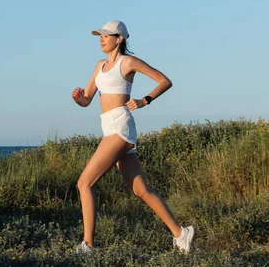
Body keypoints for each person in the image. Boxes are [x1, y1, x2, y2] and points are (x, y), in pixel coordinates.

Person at [71, 20, 194, 254]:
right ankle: (181, 233)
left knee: (84, 183)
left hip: (120, 125)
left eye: (107, 35)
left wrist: (144, 100)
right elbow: (87, 99)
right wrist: (79, 98)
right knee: (141, 190)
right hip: (107, 126)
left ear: (120, 39)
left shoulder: (127, 62)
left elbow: (164, 81)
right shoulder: (99, 66)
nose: (101, 38)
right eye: (100, 35)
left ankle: (87, 246)